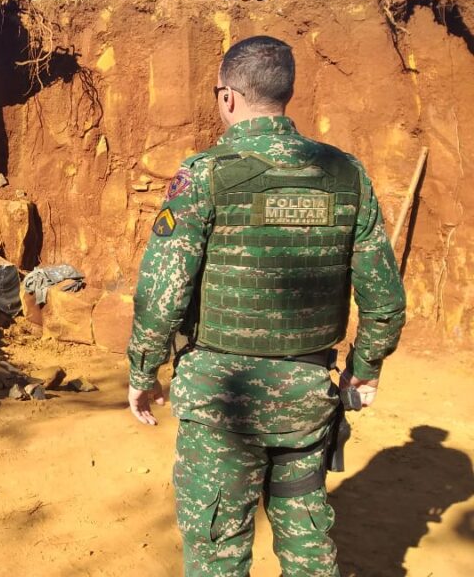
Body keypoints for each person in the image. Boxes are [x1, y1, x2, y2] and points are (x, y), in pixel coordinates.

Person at [126, 36, 406, 577]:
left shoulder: (205, 174)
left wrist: (142, 370)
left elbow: (163, 291)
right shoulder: (346, 175)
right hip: (307, 395)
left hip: (220, 399)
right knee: (306, 541)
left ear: (227, 97)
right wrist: (363, 371)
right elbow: (385, 300)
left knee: (216, 547)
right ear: (285, 94)